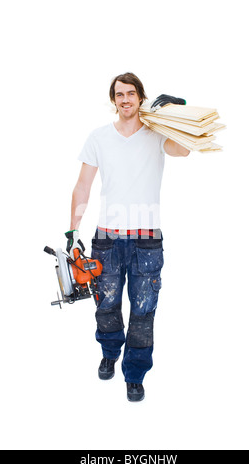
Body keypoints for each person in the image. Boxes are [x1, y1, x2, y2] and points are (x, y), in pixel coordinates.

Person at [66, 72, 190, 402]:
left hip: (147, 241)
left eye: (131, 93)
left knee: (144, 309)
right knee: (106, 303)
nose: (125, 99)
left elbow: (184, 150)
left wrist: (176, 114)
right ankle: (109, 351)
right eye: (119, 94)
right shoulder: (98, 137)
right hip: (106, 239)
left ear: (140, 97)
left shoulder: (156, 134)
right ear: (113, 100)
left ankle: (134, 373)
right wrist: (73, 230)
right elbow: (82, 186)